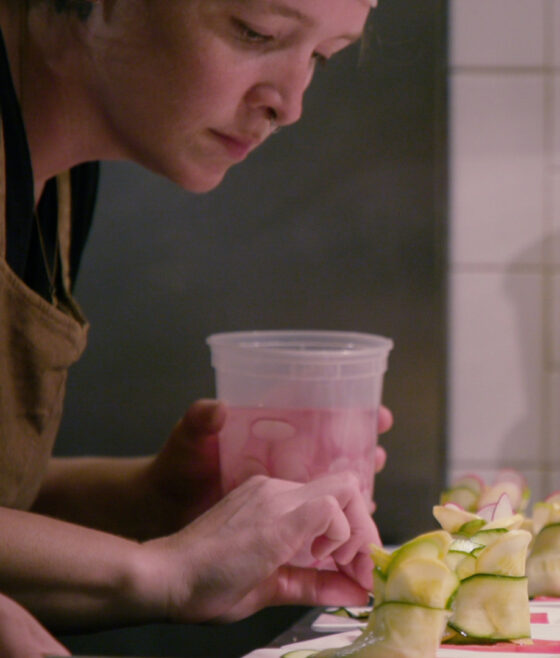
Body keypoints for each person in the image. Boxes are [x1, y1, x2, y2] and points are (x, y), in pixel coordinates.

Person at [0, 0, 389, 647]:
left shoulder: (54, 176)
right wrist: (160, 570)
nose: (289, 104)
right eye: (257, 33)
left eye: (322, 57)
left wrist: (145, 504)